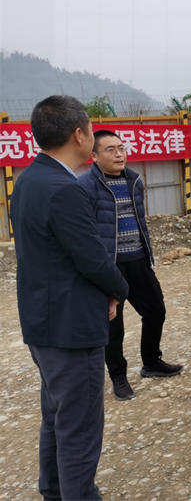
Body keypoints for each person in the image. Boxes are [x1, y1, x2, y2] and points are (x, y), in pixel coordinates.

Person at [11, 95, 129, 500]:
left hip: (43, 323)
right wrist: (119, 289)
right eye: (92, 130)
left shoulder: (28, 179)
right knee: (79, 428)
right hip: (71, 327)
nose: (93, 136)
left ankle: (54, 492)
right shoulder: (65, 189)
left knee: (57, 417)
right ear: (79, 135)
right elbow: (92, 259)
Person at [77, 130, 183, 402]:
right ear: (94, 156)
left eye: (121, 148)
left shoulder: (134, 181)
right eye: (111, 149)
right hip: (109, 267)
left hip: (138, 260)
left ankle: (151, 362)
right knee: (113, 327)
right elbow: (86, 234)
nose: (119, 154)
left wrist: (147, 255)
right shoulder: (84, 186)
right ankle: (119, 377)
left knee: (156, 311)